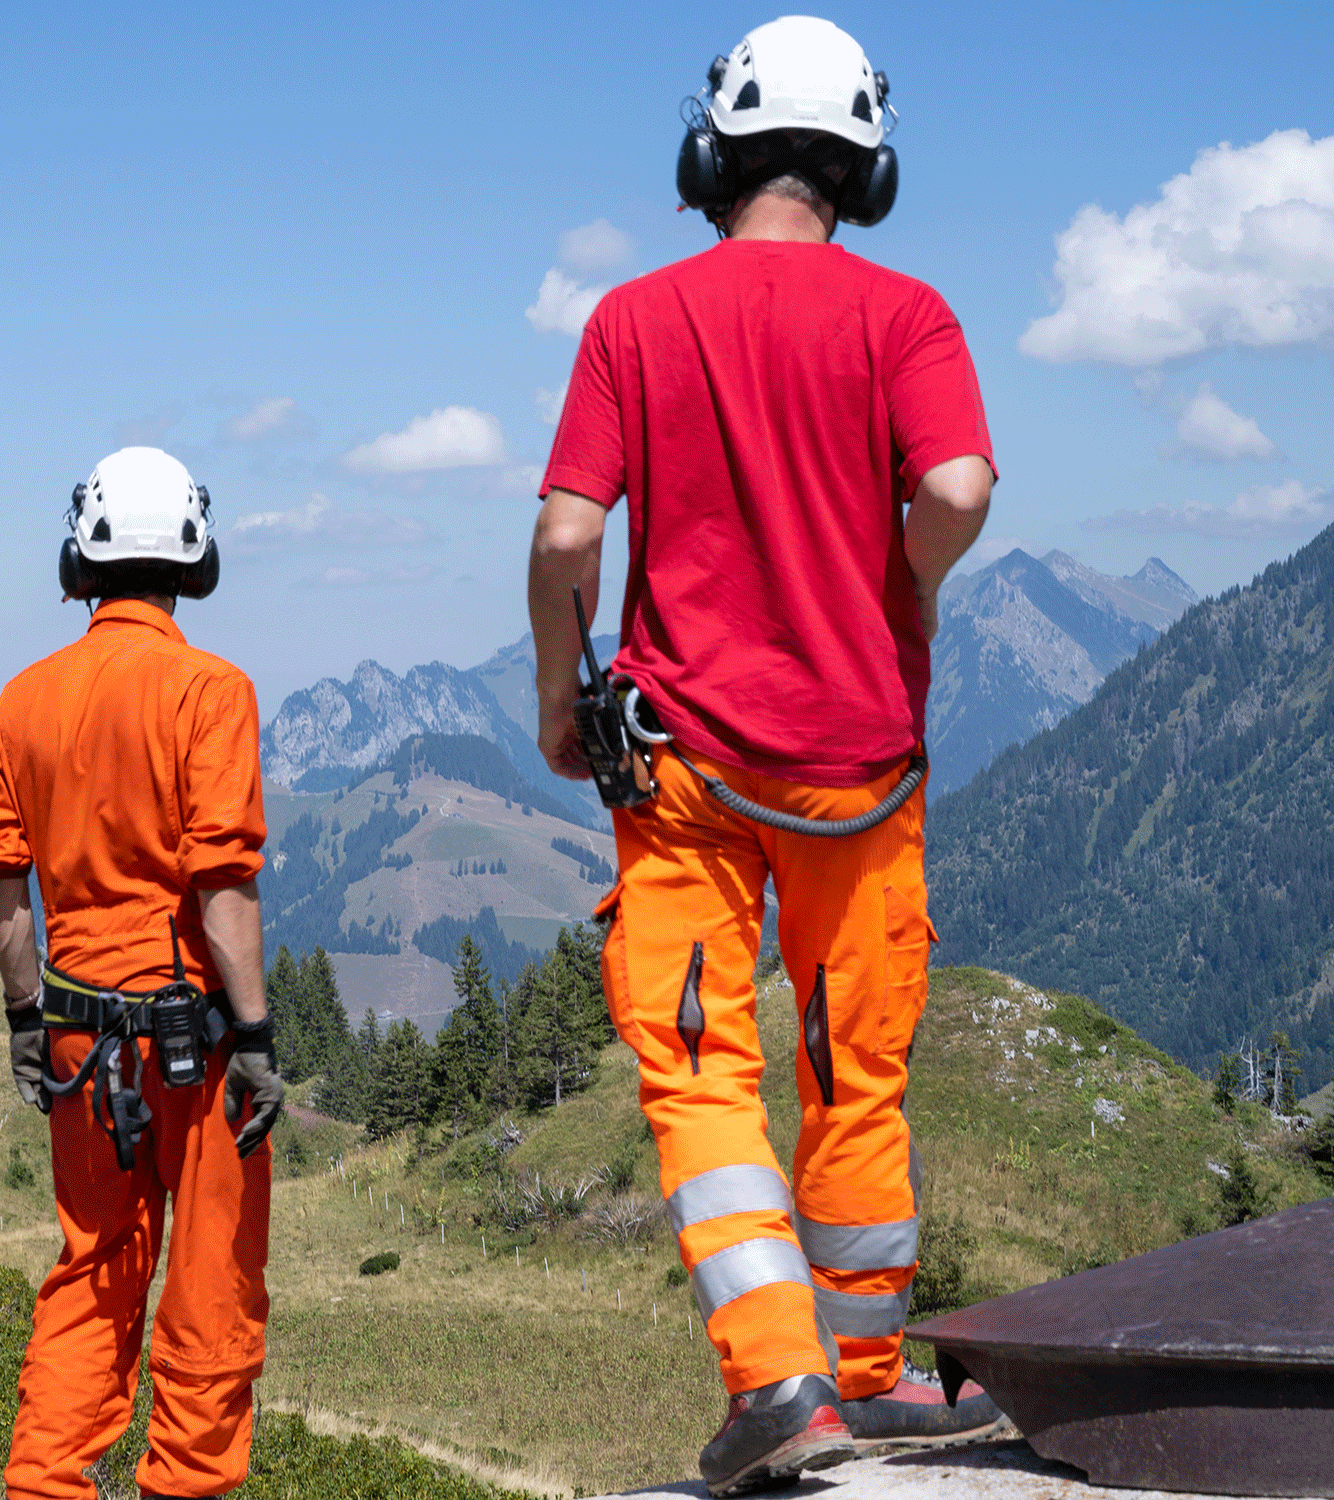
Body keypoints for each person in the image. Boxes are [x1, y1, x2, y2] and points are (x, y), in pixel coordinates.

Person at [527, 17, 1005, 1496]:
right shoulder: (909, 314)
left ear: (710, 156)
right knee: (857, 1074)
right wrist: (907, 582)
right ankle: (865, 1381)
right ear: (868, 170)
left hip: (685, 774)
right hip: (864, 768)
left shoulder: (635, 319)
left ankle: (780, 1384)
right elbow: (960, 484)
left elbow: (563, 534)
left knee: (704, 1077)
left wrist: (565, 695)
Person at [0, 445, 284, 1500]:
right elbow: (222, 885)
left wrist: (27, 1016)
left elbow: (5, 882)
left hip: (74, 1038)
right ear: (194, 557)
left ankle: (43, 1487)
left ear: (82, 558)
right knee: (209, 1295)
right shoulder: (211, 690)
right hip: (193, 1045)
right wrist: (257, 1035)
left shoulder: (23, 701)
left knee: (90, 1281)